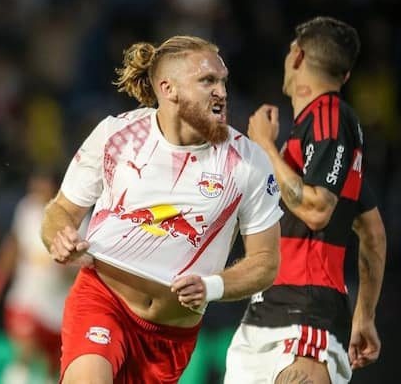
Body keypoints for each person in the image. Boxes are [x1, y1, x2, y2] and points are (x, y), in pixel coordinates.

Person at [40, 35, 284, 383]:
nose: (221, 92)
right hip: (102, 300)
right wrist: (59, 237)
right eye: (207, 81)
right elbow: (59, 211)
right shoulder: (116, 135)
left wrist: (213, 286)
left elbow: (266, 261)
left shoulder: (248, 162)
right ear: (169, 89)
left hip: (170, 338)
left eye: (223, 81)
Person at [225, 16, 387, 384]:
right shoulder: (320, 138)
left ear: (297, 55)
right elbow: (373, 232)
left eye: (288, 52)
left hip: (303, 319)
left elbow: (317, 209)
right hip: (273, 315)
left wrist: (264, 146)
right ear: (345, 74)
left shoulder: (330, 117)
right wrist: (365, 316)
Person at [0, 172, 79, 384]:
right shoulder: (27, 209)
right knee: (24, 351)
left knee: (53, 366)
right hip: (26, 296)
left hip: (57, 305)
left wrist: (66, 266)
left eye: (41, 187)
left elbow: (81, 267)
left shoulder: (76, 218)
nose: (36, 192)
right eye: (34, 187)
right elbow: (14, 242)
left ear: (56, 189)